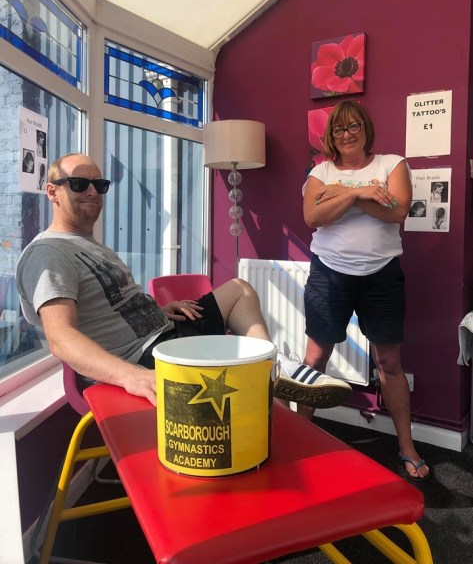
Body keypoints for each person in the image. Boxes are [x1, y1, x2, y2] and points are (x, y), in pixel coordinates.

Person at [16, 153, 352, 410]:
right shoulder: (48, 253)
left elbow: (110, 304)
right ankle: (270, 380)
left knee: (239, 289)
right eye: (79, 184)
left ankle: (271, 367)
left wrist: (158, 309)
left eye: (99, 185)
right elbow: (61, 338)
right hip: (144, 358)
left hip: (164, 333)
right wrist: (131, 376)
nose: (92, 191)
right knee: (243, 371)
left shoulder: (87, 245)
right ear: (52, 192)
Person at [301, 100, 430, 482]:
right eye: (339, 129)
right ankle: (298, 438)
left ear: (365, 128)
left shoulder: (392, 164)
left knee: (389, 362)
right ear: (331, 136)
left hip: (381, 275)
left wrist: (338, 196)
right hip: (329, 273)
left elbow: (397, 211)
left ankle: (406, 446)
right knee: (315, 359)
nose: (347, 134)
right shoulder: (320, 172)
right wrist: (362, 193)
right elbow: (313, 216)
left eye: (354, 125)